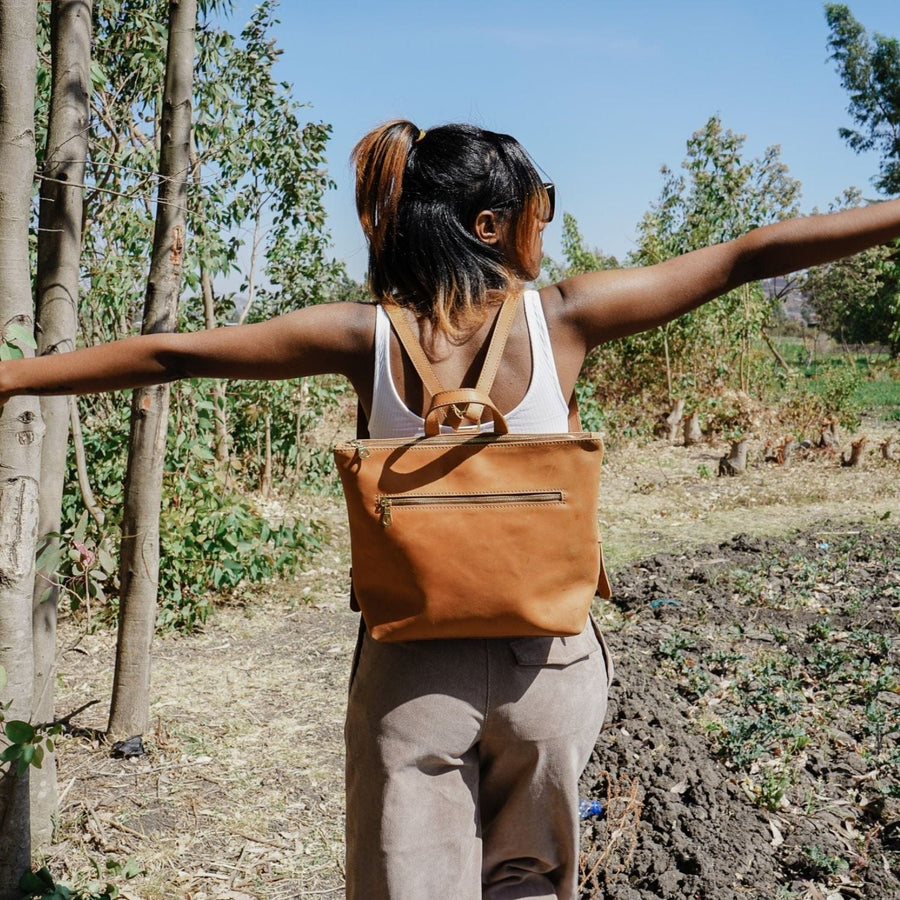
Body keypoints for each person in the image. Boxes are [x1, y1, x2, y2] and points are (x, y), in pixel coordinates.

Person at [3, 119, 900, 899]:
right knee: (528, 881)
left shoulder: (365, 335)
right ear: (489, 225)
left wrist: (13, 378)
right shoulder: (567, 319)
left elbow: (171, 357)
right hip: (546, 668)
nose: (547, 222)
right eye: (538, 205)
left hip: (412, 675)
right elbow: (752, 254)